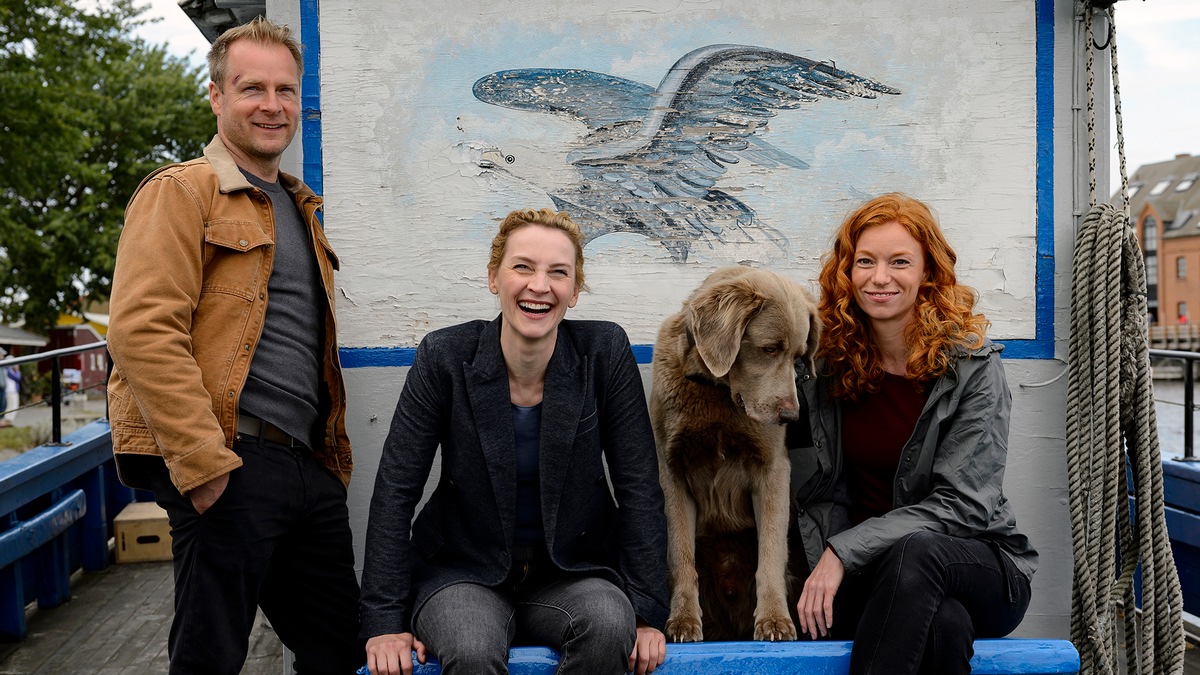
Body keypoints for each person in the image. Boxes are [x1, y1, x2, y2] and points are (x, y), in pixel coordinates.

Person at [106, 16, 362, 674]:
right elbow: (141, 329)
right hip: (228, 458)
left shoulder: (300, 206)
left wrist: (323, 468)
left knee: (342, 651)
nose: (272, 106)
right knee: (210, 657)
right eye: (252, 88)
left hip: (306, 467)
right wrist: (204, 463)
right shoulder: (181, 192)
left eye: (285, 90)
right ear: (217, 96)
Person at [359, 208, 669, 675]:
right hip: (461, 572)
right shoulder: (444, 357)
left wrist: (645, 612)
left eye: (558, 273)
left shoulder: (603, 354)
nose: (539, 286)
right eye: (522, 267)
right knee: (470, 646)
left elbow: (639, 486)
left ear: (575, 291)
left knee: (608, 624)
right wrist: (383, 621)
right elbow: (394, 491)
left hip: (573, 573)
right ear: (494, 278)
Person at [791, 193, 1038, 675]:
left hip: (980, 565)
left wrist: (842, 550)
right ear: (847, 272)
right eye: (865, 261)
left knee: (917, 550)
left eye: (899, 262)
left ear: (927, 273)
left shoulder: (971, 368)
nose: (879, 278)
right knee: (944, 626)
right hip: (877, 578)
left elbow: (964, 506)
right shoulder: (827, 368)